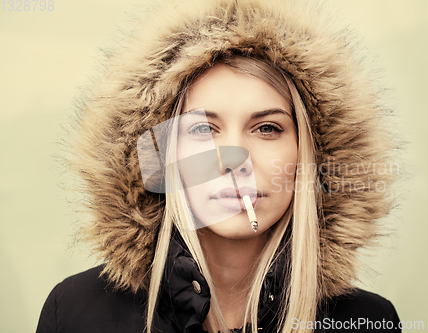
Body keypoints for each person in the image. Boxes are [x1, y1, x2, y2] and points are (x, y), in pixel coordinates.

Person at [36, 0, 401, 332]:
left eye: (267, 128)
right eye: (202, 129)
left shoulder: (367, 321)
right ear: (163, 155)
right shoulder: (75, 312)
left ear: (311, 156)